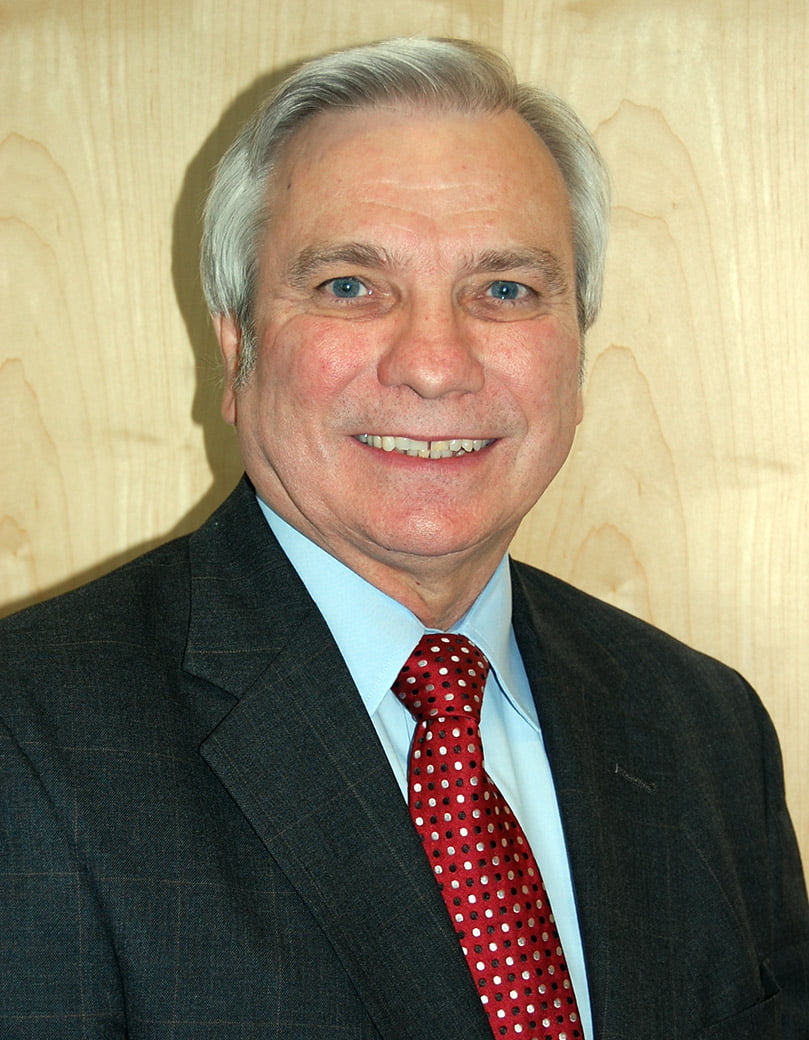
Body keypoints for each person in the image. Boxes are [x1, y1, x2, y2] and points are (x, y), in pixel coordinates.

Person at [1, 37, 807, 1040]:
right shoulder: (28, 739)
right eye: (349, 284)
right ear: (236, 346)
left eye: (504, 289)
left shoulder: (705, 729)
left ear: (576, 354)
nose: (434, 363)